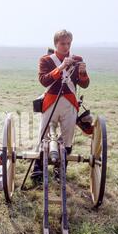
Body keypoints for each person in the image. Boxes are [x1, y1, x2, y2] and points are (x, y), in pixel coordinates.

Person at [32, 30, 90, 181]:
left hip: (70, 103)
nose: (66, 46)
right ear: (56, 44)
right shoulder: (46, 60)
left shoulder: (77, 59)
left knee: (67, 137)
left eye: (68, 43)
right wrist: (61, 67)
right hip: (51, 101)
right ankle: (38, 170)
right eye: (63, 43)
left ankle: (61, 169)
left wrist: (83, 73)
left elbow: (84, 84)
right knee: (43, 136)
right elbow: (44, 80)